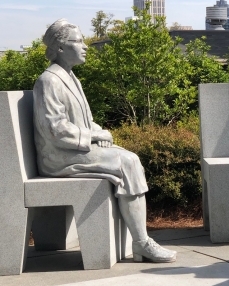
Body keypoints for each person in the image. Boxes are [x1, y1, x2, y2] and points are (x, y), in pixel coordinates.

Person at [33, 18, 176, 263]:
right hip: (58, 157)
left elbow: (82, 121)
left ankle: (141, 241)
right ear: (59, 48)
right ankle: (142, 243)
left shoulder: (70, 77)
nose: (84, 46)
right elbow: (55, 129)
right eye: (77, 41)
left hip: (73, 148)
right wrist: (95, 136)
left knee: (128, 158)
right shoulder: (49, 81)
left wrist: (97, 131)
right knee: (128, 162)